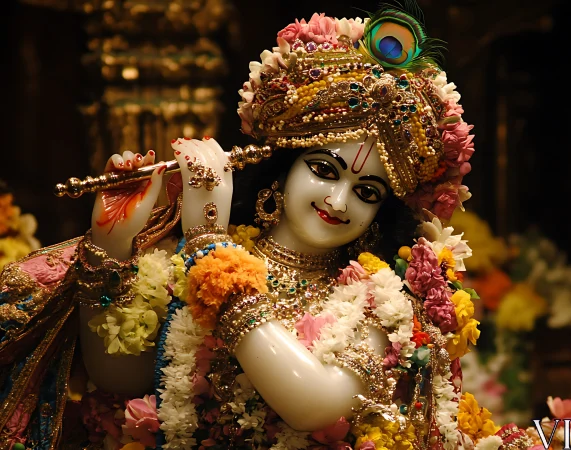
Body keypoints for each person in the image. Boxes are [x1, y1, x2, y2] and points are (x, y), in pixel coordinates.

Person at [0, 3, 537, 450]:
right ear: (282, 172)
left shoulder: (381, 299)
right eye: (323, 170)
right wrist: (112, 241)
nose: (338, 199)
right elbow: (121, 377)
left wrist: (211, 253)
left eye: (367, 192)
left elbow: (314, 402)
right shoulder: (204, 250)